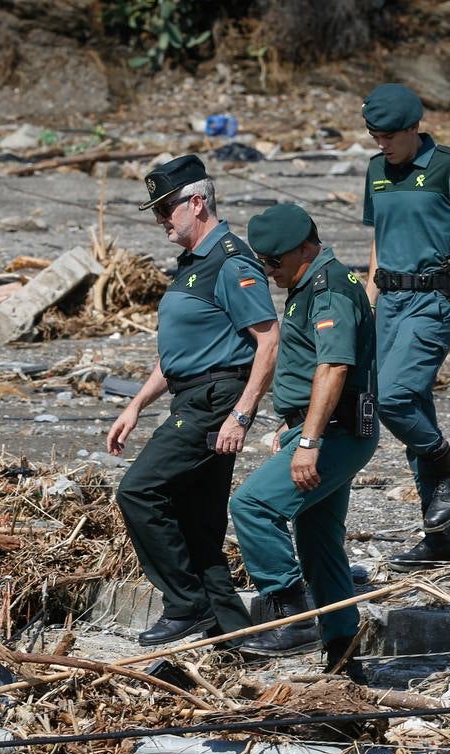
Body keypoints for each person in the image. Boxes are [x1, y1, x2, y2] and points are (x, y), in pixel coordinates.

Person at [107, 154, 279, 646]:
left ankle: (185, 605)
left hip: (213, 401)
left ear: (197, 202)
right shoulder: (193, 264)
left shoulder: (229, 260)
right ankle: (231, 632)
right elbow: (178, 354)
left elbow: (268, 340)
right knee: (199, 521)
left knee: (139, 492)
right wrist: (135, 404)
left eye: (166, 209)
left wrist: (241, 415)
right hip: (191, 395)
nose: (161, 221)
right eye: (158, 211)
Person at [230, 203, 378, 682]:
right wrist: (292, 425)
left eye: (274, 262)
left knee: (252, 506)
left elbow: (333, 367)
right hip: (319, 428)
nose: (270, 272)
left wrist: (308, 440)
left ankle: (288, 612)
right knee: (319, 545)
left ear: (303, 249)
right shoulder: (308, 284)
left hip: (332, 433)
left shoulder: (328, 287)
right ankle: (342, 653)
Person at [361, 83, 450, 571]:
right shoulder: (376, 170)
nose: (381, 144)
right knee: (413, 409)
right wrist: (367, 305)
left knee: (394, 397)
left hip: (433, 300)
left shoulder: (448, 167)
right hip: (390, 301)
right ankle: (438, 538)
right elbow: (379, 241)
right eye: (373, 135)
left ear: (412, 128)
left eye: (388, 136)